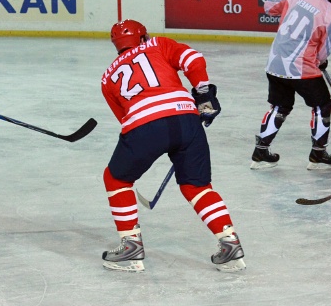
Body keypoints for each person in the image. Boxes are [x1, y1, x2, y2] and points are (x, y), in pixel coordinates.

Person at [100, 19, 245, 273]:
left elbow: (126, 119)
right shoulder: (158, 44)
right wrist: (203, 94)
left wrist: (157, 138)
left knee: (116, 180)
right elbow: (194, 59)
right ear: (143, 37)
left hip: (144, 127)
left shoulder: (108, 77)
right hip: (186, 120)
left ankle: (131, 246)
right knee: (197, 186)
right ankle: (229, 242)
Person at [251, 0, 331, 170]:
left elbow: (269, 6)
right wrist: (320, 61)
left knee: (280, 106)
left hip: (275, 63)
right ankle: (318, 154)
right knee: (322, 105)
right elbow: (323, 52)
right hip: (301, 68)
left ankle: (260, 151)